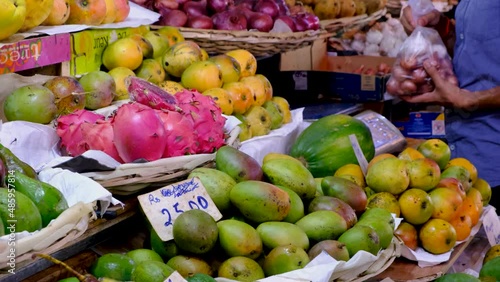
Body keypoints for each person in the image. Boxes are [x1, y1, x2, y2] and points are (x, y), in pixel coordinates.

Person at [395, 1, 500, 208]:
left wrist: (469, 99)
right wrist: (442, 28)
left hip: (493, 158)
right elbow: (477, 55)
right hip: (463, 161)